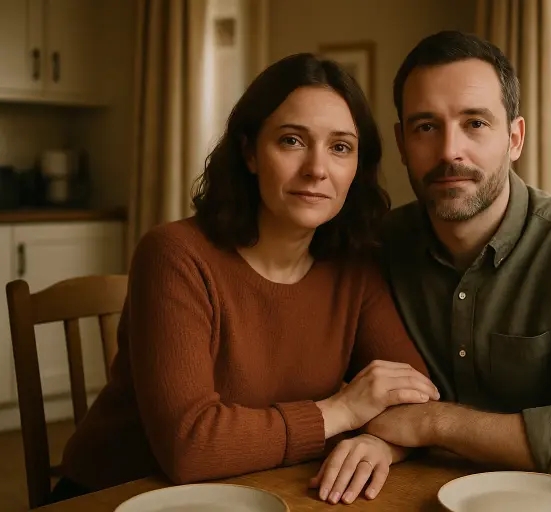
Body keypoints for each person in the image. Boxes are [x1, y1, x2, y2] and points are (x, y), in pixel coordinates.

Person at [52, 53, 439, 505]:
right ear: (249, 152)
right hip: (121, 496)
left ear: (357, 168)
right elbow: (191, 446)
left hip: (256, 490)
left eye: (340, 147)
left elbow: (417, 399)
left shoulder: (356, 267)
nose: (317, 168)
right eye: (292, 140)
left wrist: (382, 444)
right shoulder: (174, 254)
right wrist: (342, 410)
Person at [319, 30, 551, 493]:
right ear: (402, 143)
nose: (449, 152)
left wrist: (433, 424)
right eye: (426, 126)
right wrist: (389, 443)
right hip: (438, 493)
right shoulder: (379, 247)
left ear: (515, 137)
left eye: (475, 123)